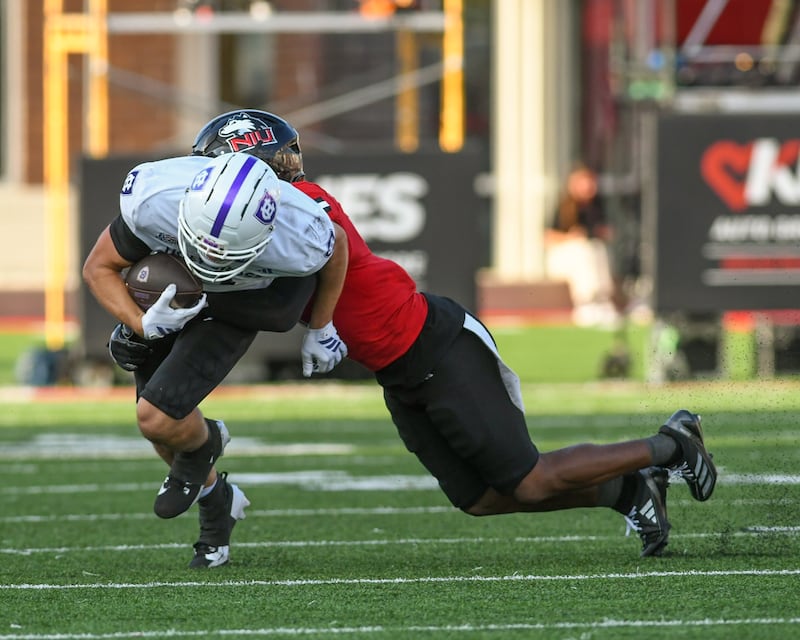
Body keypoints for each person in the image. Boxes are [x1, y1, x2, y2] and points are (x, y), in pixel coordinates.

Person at [182, 110, 720, 561]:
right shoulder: (257, 221)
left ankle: (671, 443)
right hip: (398, 372)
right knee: (481, 498)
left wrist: (315, 324)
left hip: (435, 346)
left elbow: (319, 260)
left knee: (529, 478)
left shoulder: (302, 204)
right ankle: (630, 490)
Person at [82, 152, 349, 568]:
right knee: (161, 428)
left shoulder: (301, 231)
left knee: (155, 416)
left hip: (247, 300)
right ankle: (216, 495)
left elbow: (337, 246)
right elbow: (99, 267)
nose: (208, 262)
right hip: (177, 294)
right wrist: (143, 322)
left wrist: (321, 325)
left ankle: (206, 449)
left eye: (222, 254)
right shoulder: (155, 198)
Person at [545, 163, 621, 327]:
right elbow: (548, 237)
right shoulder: (564, 206)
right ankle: (586, 303)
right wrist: (571, 237)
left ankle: (602, 300)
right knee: (582, 249)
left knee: (596, 248)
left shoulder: (597, 207)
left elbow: (607, 232)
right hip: (566, 258)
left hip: (589, 254)